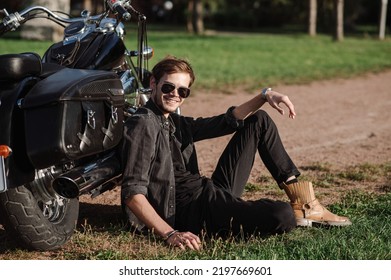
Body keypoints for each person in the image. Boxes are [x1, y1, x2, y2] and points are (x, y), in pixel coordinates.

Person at [120, 56, 351, 251]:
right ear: (153, 83)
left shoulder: (174, 121)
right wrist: (170, 234)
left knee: (259, 120)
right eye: (168, 87)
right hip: (196, 212)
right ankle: (265, 210)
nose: (175, 94)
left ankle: (304, 203)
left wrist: (264, 95)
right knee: (282, 215)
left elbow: (225, 122)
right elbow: (133, 192)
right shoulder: (143, 124)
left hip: (209, 192)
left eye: (183, 90)